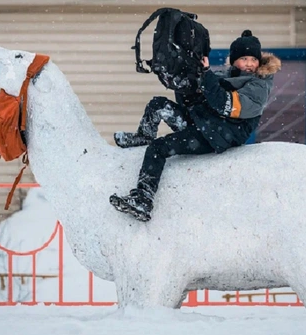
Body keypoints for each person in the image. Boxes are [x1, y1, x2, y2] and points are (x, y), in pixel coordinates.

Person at [110, 29, 282, 221]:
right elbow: (192, 102)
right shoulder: (227, 78)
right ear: (234, 61)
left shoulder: (258, 87)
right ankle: (144, 134)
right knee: (158, 105)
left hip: (216, 136)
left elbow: (223, 103)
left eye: (253, 59)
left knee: (158, 148)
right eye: (244, 59)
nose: (249, 64)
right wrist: (184, 79)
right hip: (204, 123)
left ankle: (143, 199)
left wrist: (206, 76)